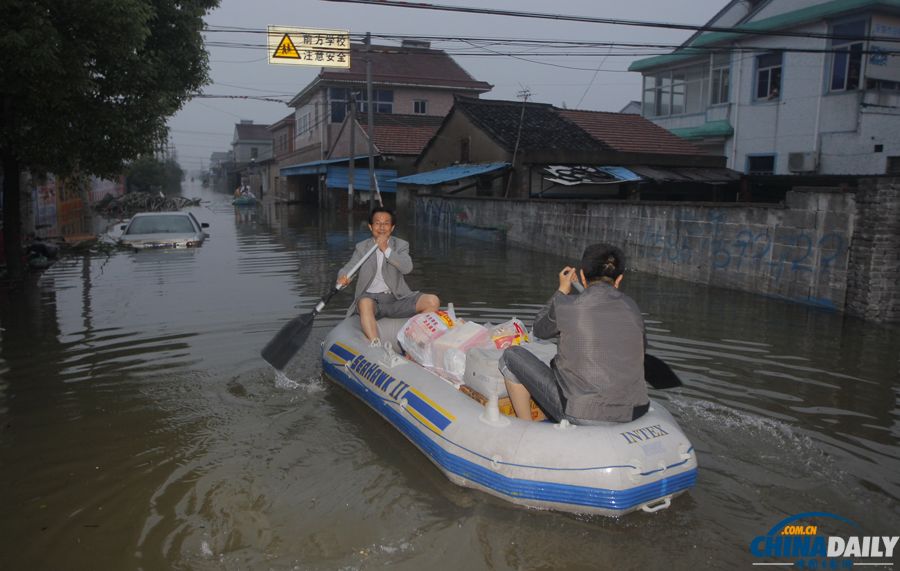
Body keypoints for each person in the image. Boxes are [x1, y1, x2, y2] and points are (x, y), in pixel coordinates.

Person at [499, 243, 650, 424]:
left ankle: (527, 428)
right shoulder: (633, 308)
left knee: (511, 355)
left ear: (582, 277)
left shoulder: (566, 305)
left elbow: (539, 328)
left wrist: (562, 290)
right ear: (619, 280)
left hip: (582, 412)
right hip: (635, 410)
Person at [337, 207, 440, 342]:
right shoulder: (362, 247)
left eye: (386, 223)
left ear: (392, 228)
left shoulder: (401, 245)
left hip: (397, 299)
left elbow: (407, 267)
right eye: (377, 223)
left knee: (433, 301)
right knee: (364, 302)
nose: (381, 227)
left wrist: (386, 249)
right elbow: (349, 268)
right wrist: (342, 277)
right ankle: (376, 346)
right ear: (370, 226)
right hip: (370, 300)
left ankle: (413, 342)